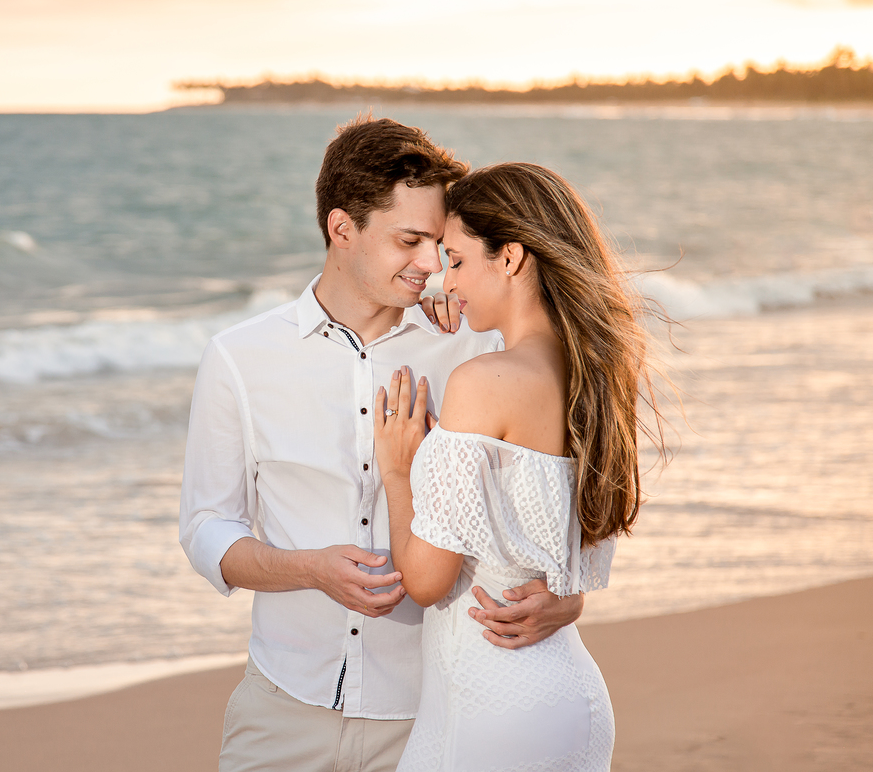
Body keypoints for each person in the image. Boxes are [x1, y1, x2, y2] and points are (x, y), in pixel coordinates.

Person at [179, 118, 587, 772]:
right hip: (283, 706)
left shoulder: (474, 348)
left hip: (430, 715)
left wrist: (567, 597)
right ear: (343, 230)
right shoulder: (239, 358)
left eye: (439, 243)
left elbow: (556, 495)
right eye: (410, 240)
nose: (429, 264)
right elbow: (205, 527)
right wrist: (308, 568)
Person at [373, 162, 662, 770]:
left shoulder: (485, 381)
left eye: (454, 259)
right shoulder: (597, 375)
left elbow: (426, 582)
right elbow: (572, 558)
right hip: (567, 693)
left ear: (510, 257)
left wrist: (401, 474)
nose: (444, 284)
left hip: (492, 703)